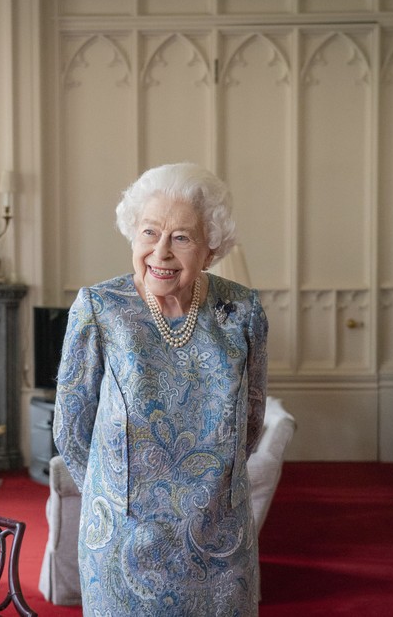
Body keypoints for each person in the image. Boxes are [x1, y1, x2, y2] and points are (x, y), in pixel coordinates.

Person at [53, 162, 268, 615]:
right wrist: (113, 498)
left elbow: (250, 421)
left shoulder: (242, 310)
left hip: (220, 541)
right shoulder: (99, 309)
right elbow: (71, 429)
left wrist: (213, 495)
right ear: (133, 235)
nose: (161, 252)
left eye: (182, 237)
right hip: (122, 541)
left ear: (210, 249)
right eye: (150, 232)